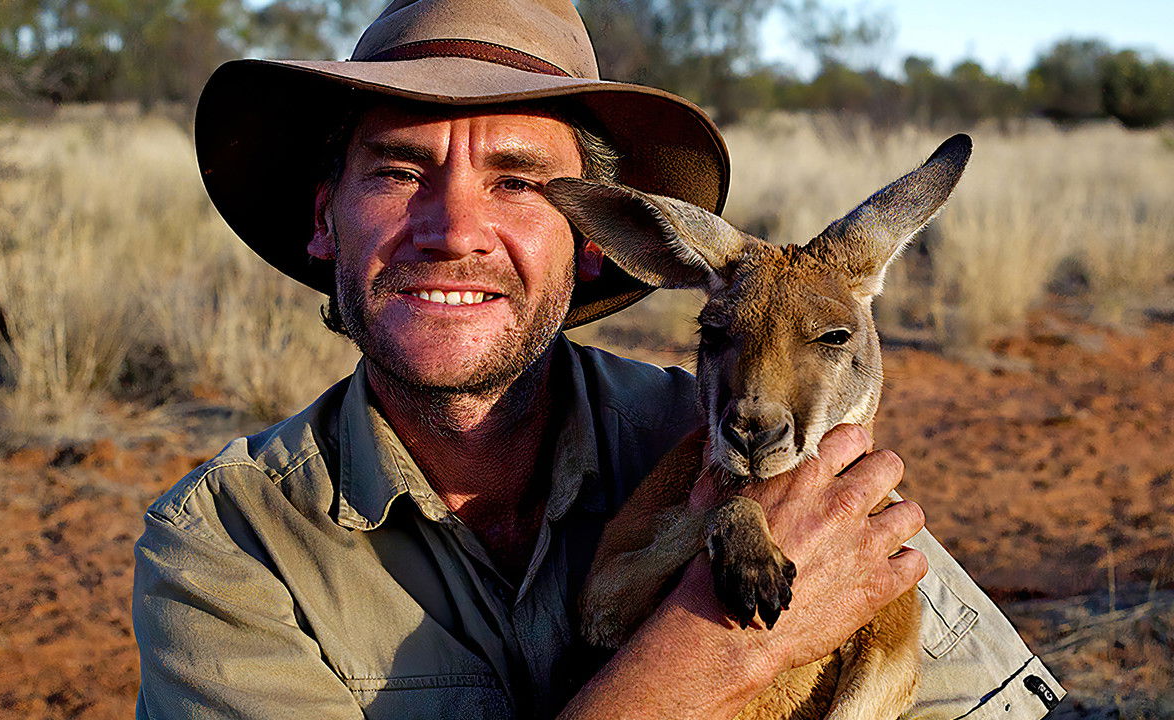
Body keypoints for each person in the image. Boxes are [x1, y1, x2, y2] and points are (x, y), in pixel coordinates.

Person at [132, 0, 1063, 717]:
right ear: (323, 220)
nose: (454, 231)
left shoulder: (738, 443)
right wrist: (721, 647)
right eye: (400, 171)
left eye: (517, 182)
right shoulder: (228, 546)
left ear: (594, 241)